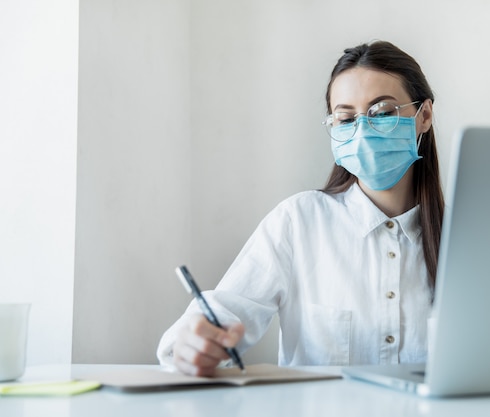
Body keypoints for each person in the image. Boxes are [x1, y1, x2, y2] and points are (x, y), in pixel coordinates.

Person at [157, 40, 445, 376]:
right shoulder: (298, 221)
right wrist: (192, 343)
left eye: (382, 113)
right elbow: (223, 312)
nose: (363, 131)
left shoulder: (468, 233)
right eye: (346, 118)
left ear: (423, 116)